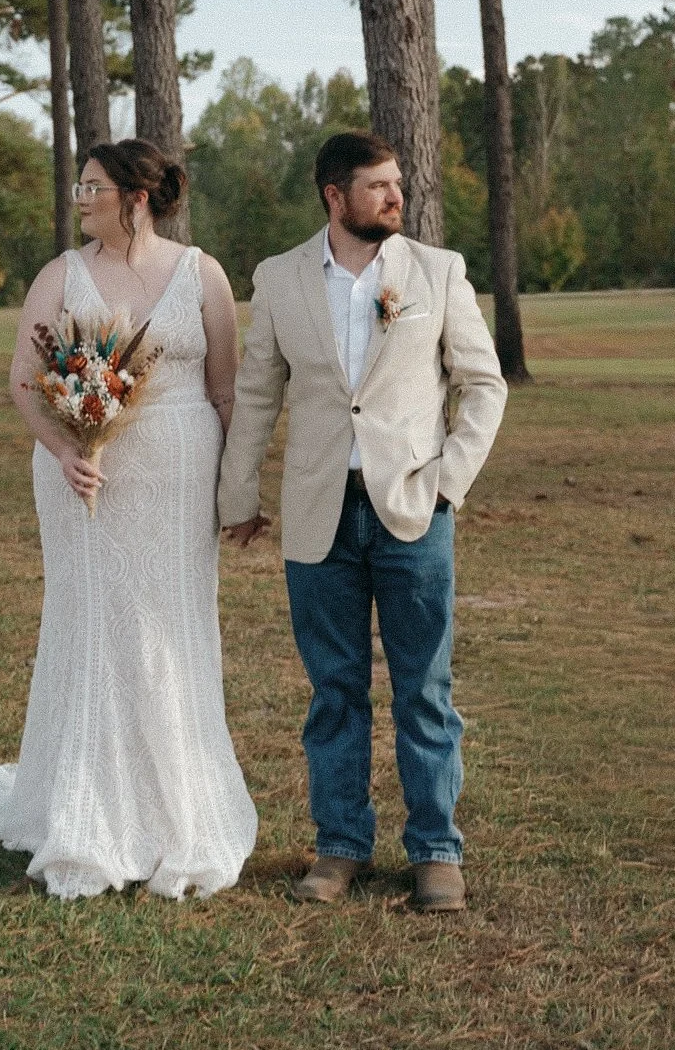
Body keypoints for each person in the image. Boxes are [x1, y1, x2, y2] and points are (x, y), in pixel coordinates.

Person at [0, 139, 257, 900]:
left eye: (93, 186)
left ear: (136, 198)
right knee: (93, 620)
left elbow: (225, 390)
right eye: (79, 184)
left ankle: (176, 809)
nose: (79, 197)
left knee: (168, 623)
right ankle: (88, 802)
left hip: (177, 474)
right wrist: (65, 448)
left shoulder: (201, 273)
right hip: (81, 473)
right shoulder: (60, 274)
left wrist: (236, 489)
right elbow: (24, 378)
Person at [218, 131, 506, 912]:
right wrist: (235, 496)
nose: (394, 197)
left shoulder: (436, 271)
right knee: (333, 691)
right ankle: (338, 846)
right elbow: (254, 396)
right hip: (319, 513)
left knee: (424, 688)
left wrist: (448, 481)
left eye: (396, 183)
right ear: (332, 196)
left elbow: (483, 385)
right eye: (376, 185)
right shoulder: (278, 278)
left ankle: (435, 851)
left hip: (413, 510)